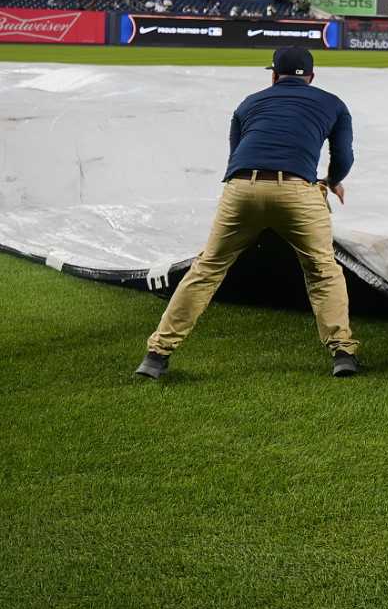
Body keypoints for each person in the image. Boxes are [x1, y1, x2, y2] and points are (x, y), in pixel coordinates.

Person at [134, 46, 361, 380]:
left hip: (241, 187)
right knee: (323, 271)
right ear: (312, 77)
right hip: (297, 190)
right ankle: (342, 352)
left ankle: (156, 354)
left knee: (207, 269)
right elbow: (343, 157)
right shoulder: (333, 103)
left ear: (273, 75)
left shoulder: (249, 103)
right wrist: (332, 182)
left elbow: (235, 156)